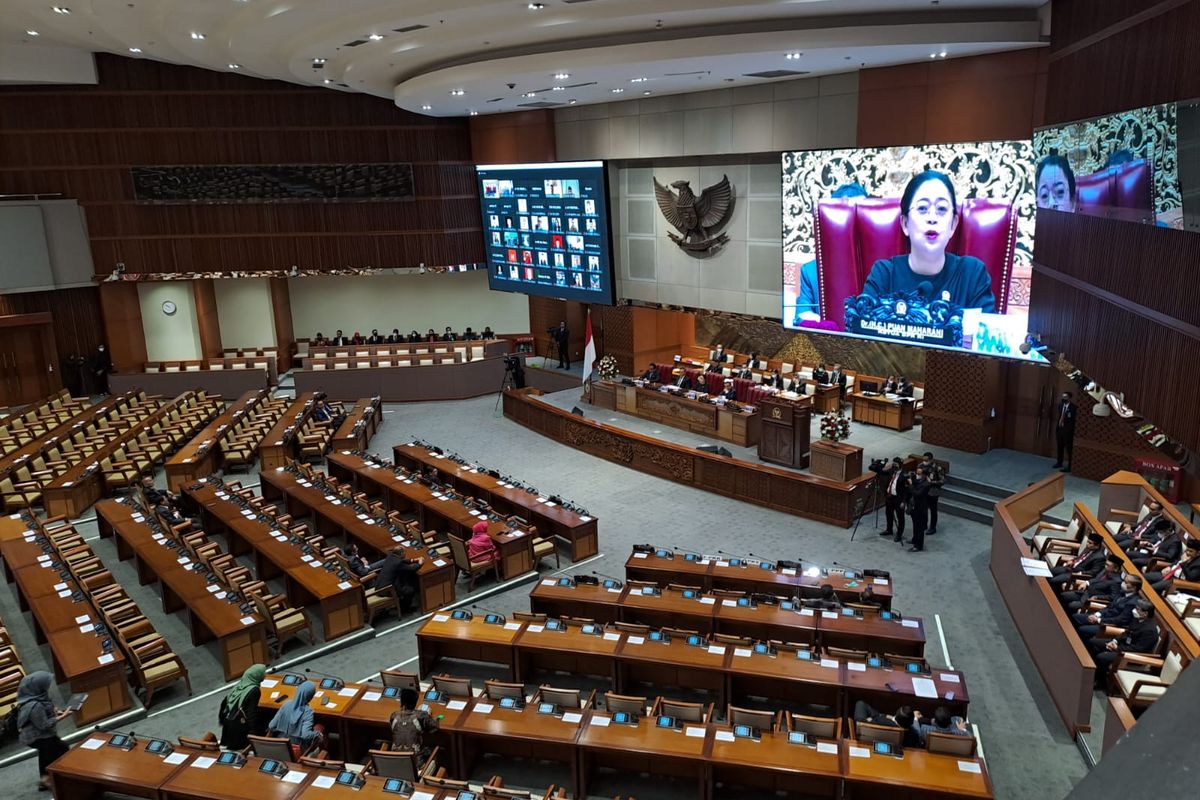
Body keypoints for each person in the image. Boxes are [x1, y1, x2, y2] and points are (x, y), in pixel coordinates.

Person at [861, 170, 995, 312]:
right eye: (922, 208)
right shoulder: (884, 275)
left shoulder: (972, 275)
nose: (932, 218)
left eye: (942, 209)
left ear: (953, 225)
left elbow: (985, 332)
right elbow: (859, 328)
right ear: (905, 224)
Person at [16, 671, 70, 792]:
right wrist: (61, 717)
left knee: (48, 753)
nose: (48, 687)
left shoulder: (36, 696)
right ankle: (50, 780)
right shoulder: (35, 706)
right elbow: (43, 725)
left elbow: (46, 710)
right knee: (59, 749)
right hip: (36, 737)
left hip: (40, 735)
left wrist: (54, 711)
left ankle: (46, 778)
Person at [1087, 600, 1158, 686]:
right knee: (1093, 642)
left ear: (1145, 613)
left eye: (1137, 609)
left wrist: (1117, 648)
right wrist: (1114, 641)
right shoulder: (1137, 619)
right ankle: (1094, 673)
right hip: (1122, 645)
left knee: (1101, 657)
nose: (1134, 611)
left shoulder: (1150, 630)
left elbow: (1139, 649)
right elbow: (1126, 632)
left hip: (1131, 655)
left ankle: (1101, 682)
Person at [1073, 575, 1143, 639]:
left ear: (1134, 587)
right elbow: (1109, 606)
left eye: (1126, 582)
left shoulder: (1132, 603)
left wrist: (1099, 620)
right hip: (1102, 617)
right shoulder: (1122, 592)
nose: (1123, 583)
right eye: (1124, 581)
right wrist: (1097, 614)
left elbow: (1120, 620)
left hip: (1109, 624)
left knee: (1082, 629)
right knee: (1076, 617)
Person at [268, 681, 324, 759]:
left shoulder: (286, 704)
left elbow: (271, 726)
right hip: (298, 749)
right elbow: (305, 735)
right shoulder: (308, 711)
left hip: (280, 745)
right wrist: (317, 734)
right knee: (320, 727)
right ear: (310, 696)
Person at [219, 664, 268, 750]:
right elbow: (251, 714)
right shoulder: (254, 691)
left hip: (228, 725)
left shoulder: (240, 684)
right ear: (257, 675)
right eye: (263, 673)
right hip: (238, 730)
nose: (265, 675)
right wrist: (253, 736)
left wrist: (222, 721)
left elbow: (224, 703)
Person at [389, 687, 439, 763]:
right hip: (415, 763)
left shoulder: (394, 715)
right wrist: (429, 715)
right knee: (435, 750)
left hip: (395, 760)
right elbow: (435, 728)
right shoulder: (421, 715)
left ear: (401, 702)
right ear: (415, 702)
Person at [1059, 554, 1124, 612]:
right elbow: (1096, 579)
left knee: (1071, 605)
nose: (1105, 566)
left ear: (1116, 568)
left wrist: (1097, 597)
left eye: (1108, 565)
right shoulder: (1105, 570)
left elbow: (1112, 597)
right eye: (1106, 564)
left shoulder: (1117, 582)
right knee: (1064, 596)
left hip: (1090, 599)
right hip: (1085, 592)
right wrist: (1087, 582)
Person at [372, 547, 424, 613]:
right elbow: (411, 569)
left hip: (379, 585)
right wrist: (419, 564)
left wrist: (413, 560)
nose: (405, 554)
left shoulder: (390, 557)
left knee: (406, 580)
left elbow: (402, 561)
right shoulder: (398, 563)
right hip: (386, 590)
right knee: (410, 590)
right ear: (402, 553)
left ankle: (401, 603)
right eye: (405, 552)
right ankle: (405, 610)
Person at [851, 701, 921, 748]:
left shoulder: (881, 721)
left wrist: (872, 719)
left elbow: (875, 718)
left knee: (860, 704)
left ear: (896, 714)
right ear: (911, 722)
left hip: (868, 738)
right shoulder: (912, 735)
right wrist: (915, 719)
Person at [879, 458, 907, 542]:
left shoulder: (904, 475)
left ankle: (899, 534)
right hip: (889, 496)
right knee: (889, 514)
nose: (894, 466)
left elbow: (906, 491)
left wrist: (904, 501)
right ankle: (889, 529)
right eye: (893, 464)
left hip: (898, 498)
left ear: (901, 465)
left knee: (900, 517)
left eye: (896, 464)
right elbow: (880, 471)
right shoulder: (891, 471)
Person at [905, 466, 931, 552]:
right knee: (915, 525)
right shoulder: (918, 481)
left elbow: (917, 494)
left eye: (919, 474)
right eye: (917, 473)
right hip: (914, 507)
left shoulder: (926, 484)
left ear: (923, 475)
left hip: (920, 508)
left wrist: (911, 484)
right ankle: (914, 539)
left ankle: (918, 546)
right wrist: (911, 477)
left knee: (919, 528)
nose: (917, 475)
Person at [1053, 391, 1077, 472]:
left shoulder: (1073, 408)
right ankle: (1059, 462)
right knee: (1060, 447)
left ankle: (1070, 466)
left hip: (1068, 431)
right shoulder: (1060, 405)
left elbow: (1073, 420)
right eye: (1063, 396)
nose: (1063, 398)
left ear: (1069, 398)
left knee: (1069, 449)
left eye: (1065, 397)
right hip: (1060, 429)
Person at [921, 453, 944, 534]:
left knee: (933, 511)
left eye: (926, 460)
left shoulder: (937, 468)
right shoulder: (921, 465)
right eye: (923, 460)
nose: (924, 462)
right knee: (923, 509)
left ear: (931, 460)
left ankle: (932, 527)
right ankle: (924, 525)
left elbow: (942, 481)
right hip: (923, 490)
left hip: (933, 491)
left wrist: (932, 482)